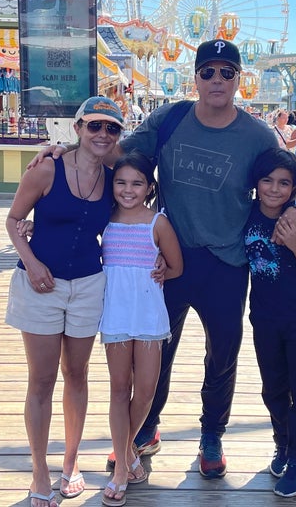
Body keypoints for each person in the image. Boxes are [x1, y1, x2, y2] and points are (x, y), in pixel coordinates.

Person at [28, 39, 296, 480]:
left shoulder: (256, 134)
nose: (216, 80)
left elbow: (282, 179)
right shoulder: (171, 118)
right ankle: (144, 428)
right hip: (168, 258)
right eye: (208, 72)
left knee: (222, 354)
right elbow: (119, 154)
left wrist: (295, 213)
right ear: (195, 78)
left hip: (227, 262)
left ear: (239, 79)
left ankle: (211, 433)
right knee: (156, 349)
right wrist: (65, 150)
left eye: (226, 72)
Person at [5, 96, 124, 507]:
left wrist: (159, 254)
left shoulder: (114, 178)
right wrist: (32, 263)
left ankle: (70, 463)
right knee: (41, 380)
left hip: (89, 283)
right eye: (95, 126)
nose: (103, 134)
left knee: (77, 374)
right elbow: (13, 220)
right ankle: (40, 470)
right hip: (41, 284)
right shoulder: (46, 169)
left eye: (112, 128)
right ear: (78, 128)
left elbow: (136, 212)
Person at [100, 151, 183, 507]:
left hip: (149, 315)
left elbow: (176, 267)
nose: (127, 189)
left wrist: (162, 268)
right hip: (115, 314)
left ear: (149, 187)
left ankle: (126, 449)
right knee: (120, 390)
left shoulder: (157, 223)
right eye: (120, 182)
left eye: (137, 183)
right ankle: (123, 466)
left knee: (146, 391)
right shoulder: (103, 220)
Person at [245, 148, 296, 498]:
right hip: (264, 316)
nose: (274, 189)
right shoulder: (246, 214)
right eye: (268, 180)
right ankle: (284, 444)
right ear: (256, 182)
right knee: (273, 387)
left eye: (283, 183)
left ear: (293, 189)